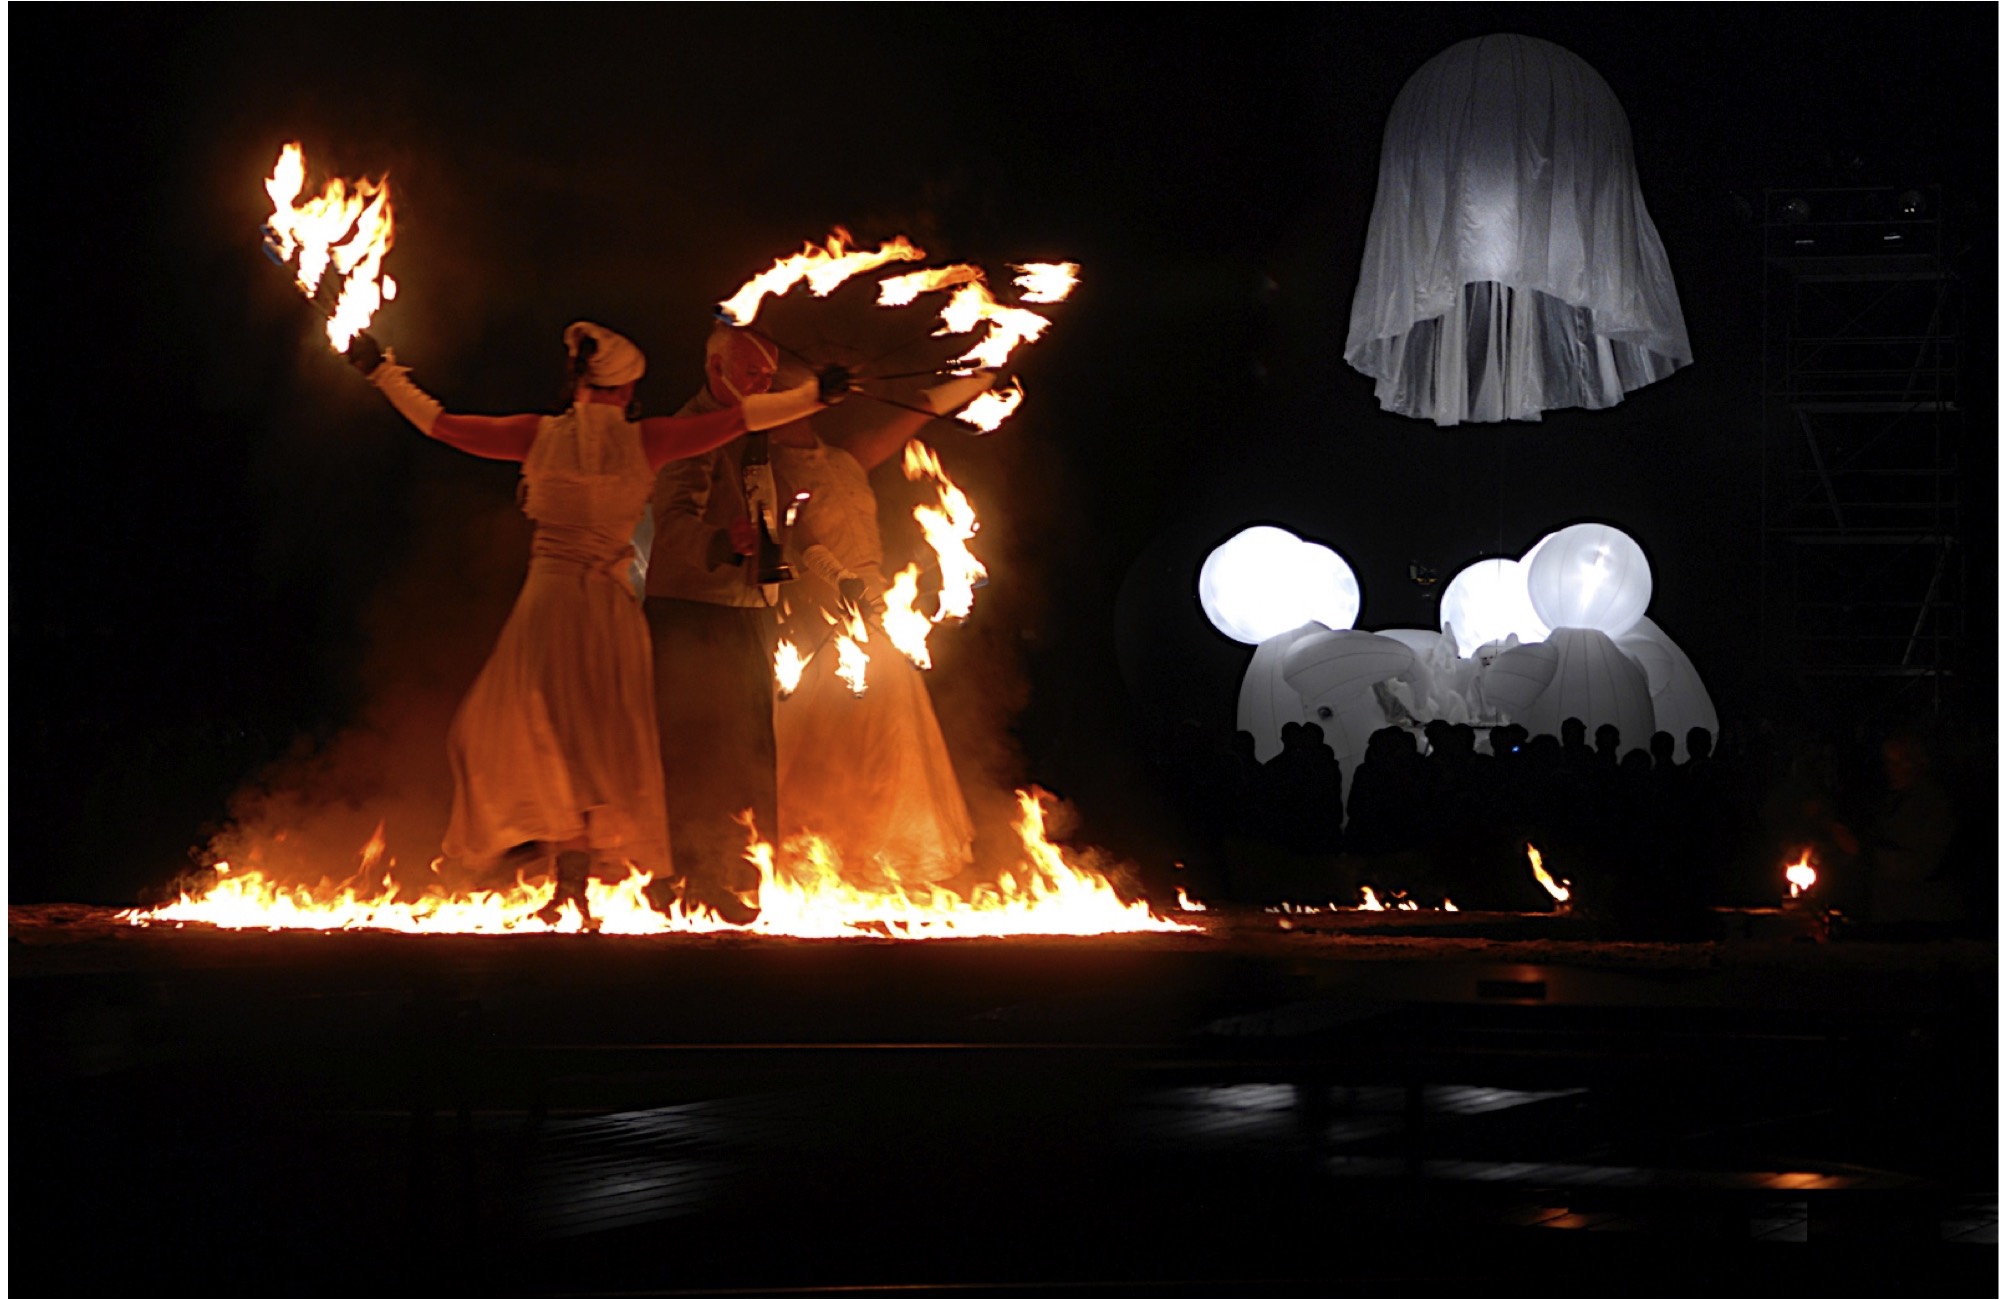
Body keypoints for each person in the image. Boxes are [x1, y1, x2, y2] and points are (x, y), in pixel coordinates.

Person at [347, 323, 838, 925]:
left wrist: (382, 372)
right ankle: (570, 883)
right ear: (627, 389)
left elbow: (439, 424)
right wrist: (817, 394)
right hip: (605, 613)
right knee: (596, 748)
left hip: (548, 607)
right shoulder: (646, 441)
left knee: (528, 736)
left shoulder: (536, 435)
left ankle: (568, 884)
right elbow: (741, 420)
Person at [764, 373, 991, 887]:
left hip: (880, 605)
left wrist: (985, 375)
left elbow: (915, 410)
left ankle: (890, 859)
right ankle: (842, 858)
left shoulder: (847, 457)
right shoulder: (773, 470)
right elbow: (794, 545)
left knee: (892, 723)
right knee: (845, 724)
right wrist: (838, 583)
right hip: (829, 608)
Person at [642, 326, 788, 923]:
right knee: (703, 751)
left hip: (747, 611)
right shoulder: (689, 433)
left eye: (769, 377)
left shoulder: (755, 432)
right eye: (752, 374)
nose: (763, 385)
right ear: (715, 369)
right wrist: (723, 543)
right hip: (694, 616)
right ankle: (701, 878)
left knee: (751, 752)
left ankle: (749, 874)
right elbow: (672, 526)